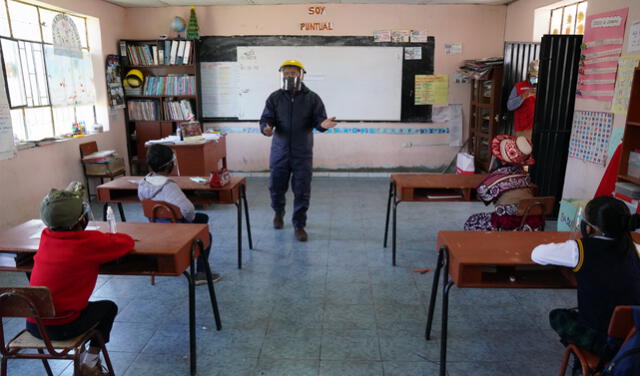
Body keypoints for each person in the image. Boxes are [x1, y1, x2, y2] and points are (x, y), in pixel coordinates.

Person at [27, 182, 134, 376]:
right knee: (108, 308)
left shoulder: (45, 236)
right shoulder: (87, 242)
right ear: (81, 220)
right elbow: (126, 242)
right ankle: (89, 364)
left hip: (34, 325)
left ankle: (83, 358)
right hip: (63, 327)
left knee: (83, 307)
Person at [531, 196, 640, 367]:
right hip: (634, 335)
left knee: (558, 316)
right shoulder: (633, 249)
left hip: (604, 342)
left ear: (589, 228)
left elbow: (537, 254)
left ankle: (584, 364)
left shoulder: (579, 249)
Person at [259, 59, 337, 242]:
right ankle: (278, 212)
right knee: (276, 186)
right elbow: (266, 119)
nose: (289, 76)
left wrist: (323, 125)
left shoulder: (312, 98)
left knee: (302, 190)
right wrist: (266, 128)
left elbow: (320, 121)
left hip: (302, 152)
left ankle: (299, 225)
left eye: (293, 73)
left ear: (301, 75)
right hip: (280, 151)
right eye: (285, 73)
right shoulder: (275, 97)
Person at [137, 144, 221, 284]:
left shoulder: (143, 183)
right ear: (170, 165)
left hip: (155, 229)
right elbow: (188, 210)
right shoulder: (169, 187)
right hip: (175, 231)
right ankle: (201, 272)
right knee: (206, 233)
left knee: (202, 218)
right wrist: (189, 219)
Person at [463, 134, 543, 231]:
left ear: (503, 161)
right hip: (531, 223)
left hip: (507, 224)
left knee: (472, 221)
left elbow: (482, 196)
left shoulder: (498, 176)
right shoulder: (525, 176)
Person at [507, 59, 539, 139]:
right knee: (522, 151)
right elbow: (509, 106)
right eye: (534, 76)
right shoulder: (519, 86)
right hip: (523, 129)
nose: (535, 78)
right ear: (529, 75)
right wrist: (522, 96)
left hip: (539, 128)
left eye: (537, 76)